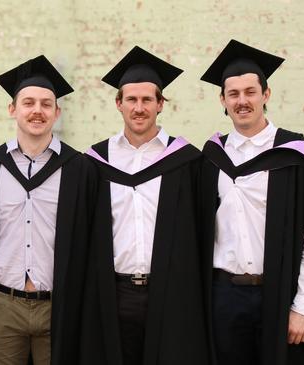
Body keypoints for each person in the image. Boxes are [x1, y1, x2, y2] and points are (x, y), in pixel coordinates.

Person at [199, 39, 304, 365]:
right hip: (224, 298)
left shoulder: (296, 155)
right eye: (234, 94)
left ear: (266, 95)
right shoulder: (212, 158)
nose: (242, 101)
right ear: (223, 100)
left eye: (250, 92)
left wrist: (303, 308)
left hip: (280, 294)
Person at [0, 55, 95, 365]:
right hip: (3, 305)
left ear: (57, 112)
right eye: (28, 103)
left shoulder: (79, 169)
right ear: (13, 109)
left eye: (45, 104)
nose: (37, 111)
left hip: (59, 305)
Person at [79, 46, 209, 365]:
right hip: (114, 294)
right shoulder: (95, 163)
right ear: (119, 103)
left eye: (147, 99)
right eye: (132, 100)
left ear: (160, 104)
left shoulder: (187, 162)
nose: (139, 108)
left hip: (171, 293)